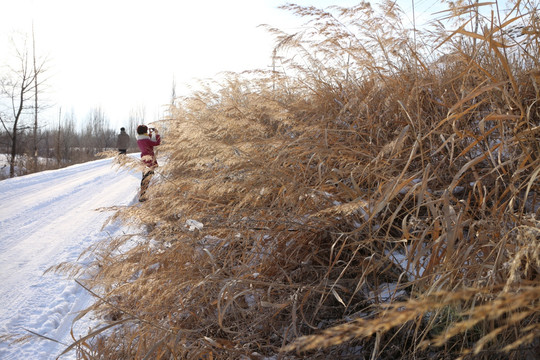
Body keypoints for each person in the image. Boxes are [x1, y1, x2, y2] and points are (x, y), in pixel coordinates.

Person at [136, 124, 161, 202]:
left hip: (144, 159)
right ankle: (142, 196)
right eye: (146, 131)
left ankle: (142, 194)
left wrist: (151, 134)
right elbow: (156, 143)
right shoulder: (146, 140)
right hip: (149, 160)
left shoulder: (139, 139)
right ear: (144, 132)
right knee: (147, 178)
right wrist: (156, 134)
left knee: (144, 177)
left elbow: (148, 141)